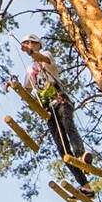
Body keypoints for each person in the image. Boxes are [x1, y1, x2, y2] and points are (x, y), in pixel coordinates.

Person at [18, 38, 90, 187]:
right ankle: (85, 185)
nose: (27, 45)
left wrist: (30, 52)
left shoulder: (46, 54)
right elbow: (27, 89)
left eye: (30, 42)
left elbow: (43, 59)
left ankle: (80, 154)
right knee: (62, 149)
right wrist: (14, 86)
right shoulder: (29, 69)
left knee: (68, 124)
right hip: (48, 111)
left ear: (37, 44)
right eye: (26, 43)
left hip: (60, 100)